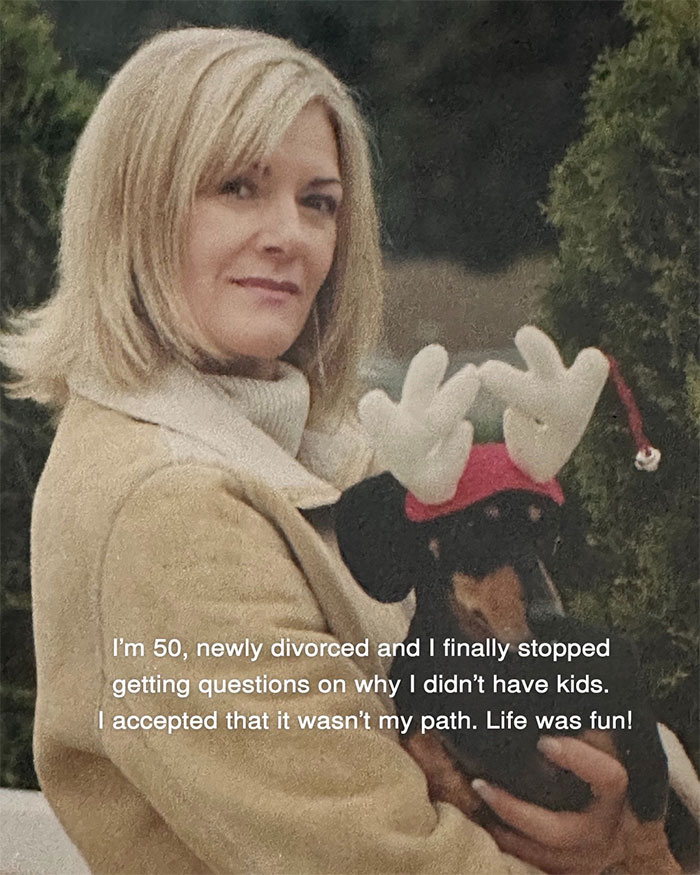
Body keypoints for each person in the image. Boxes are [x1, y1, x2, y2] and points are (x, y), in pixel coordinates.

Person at [1, 26, 661, 874]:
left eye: (319, 201)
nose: (293, 236)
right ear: (133, 205)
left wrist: (610, 815)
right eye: (238, 187)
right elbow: (377, 857)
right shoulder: (167, 510)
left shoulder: (322, 444)